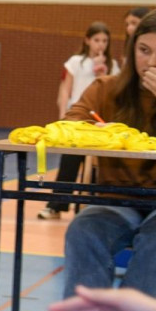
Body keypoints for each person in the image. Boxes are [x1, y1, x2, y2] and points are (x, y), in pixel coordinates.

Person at [51, 7, 156, 311]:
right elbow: (69, 126)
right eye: (144, 50)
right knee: (86, 227)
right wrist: (95, 132)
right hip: (118, 198)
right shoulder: (106, 90)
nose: (152, 62)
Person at [37, 21, 120, 220]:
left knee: (97, 168)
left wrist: (104, 74)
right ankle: (56, 206)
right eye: (97, 40)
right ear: (87, 41)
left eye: (105, 41)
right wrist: (63, 116)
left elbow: (116, 94)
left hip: (101, 123)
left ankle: (93, 209)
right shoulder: (76, 62)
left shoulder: (113, 66)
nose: (101, 44)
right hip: (77, 120)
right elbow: (65, 90)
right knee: (69, 163)